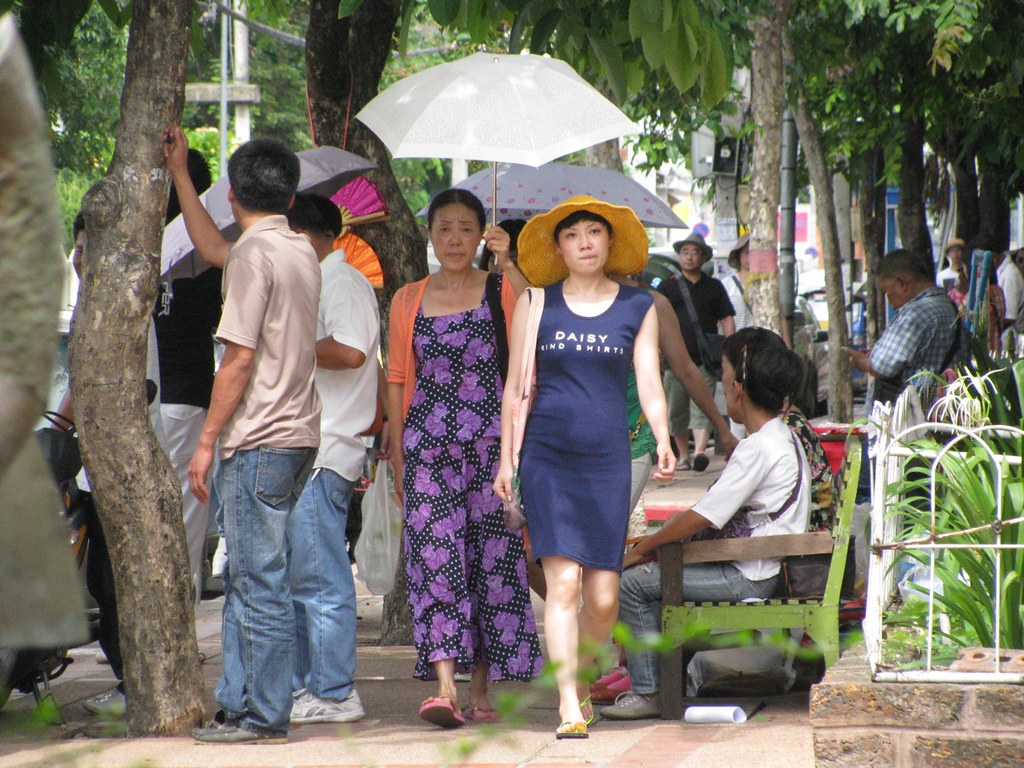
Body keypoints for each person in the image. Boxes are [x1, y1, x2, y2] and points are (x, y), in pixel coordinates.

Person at [163, 125, 322, 745]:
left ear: (232, 194)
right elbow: (213, 249)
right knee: (250, 578)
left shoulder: (256, 255)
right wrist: (181, 173)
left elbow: (236, 359)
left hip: (260, 437)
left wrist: (206, 441)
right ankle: (239, 701)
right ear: (290, 196)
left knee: (257, 582)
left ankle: (263, 715)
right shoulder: (295, 247)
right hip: (295, 434)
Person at [495, 195, 675, 739]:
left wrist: (662, 437)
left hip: (608, 460)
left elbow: (649, 380)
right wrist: (506, 460)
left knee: (602, 598)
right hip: (547, 457)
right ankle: (568, 703)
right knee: (564, 584)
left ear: (609, 241)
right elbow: (516, 387)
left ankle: (583, 675)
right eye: (572, 235)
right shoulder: (536, 303)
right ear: (558, 248)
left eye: (593, 232)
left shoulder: (638, 305)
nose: (584, 243)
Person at [387, 188, 541, 729]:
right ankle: (445, 688)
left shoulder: (501, 288)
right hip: (427, 449)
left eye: (466, 228)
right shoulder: (407, 299)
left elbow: (531, 336)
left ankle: (480, 689)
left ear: (481, 234)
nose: (455, 239)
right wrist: (398, 455)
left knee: (489, 562)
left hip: (492, 449)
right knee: (435, 560)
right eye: (444, 228)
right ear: (429, 235)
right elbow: (397, 379)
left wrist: (510, 263)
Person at [603, 327, 810, 720]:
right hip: (760, 566)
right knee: (647, 571)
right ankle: (661, 678)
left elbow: (702, 516)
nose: (724, 386)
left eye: (726, 377)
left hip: (748, 575)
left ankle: (649, 691)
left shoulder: (759, 447)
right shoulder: (779, 436)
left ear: (738, 389)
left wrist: (645, 549)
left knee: (631, 584)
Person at [283, 194, 378, 725]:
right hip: (312, 447)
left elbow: (352, 351)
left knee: (319, 578)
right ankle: (312, 686)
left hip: (328, 449)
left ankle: (335, 691)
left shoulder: (340, 281)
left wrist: (289, 342)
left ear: (306, 237)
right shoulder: (321, 282)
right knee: (305, 577)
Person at [152, 148, 221, 602]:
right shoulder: (204, 250)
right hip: (187, 392)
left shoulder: (146, 246)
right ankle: (179, 608)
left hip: (148, 395)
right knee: (187, 508)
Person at [844, 248, 966, 410]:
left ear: (901, 283)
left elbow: (882, 367)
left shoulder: (915, 314)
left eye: (886, 291)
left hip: (910, 413)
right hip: (939, 408)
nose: (888, 300)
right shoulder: (947, 304)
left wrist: (863, 362)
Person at [657, 232, 735, 472]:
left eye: (695, 252)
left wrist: (730, 348)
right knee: (675, 409)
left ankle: (700, 451)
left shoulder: (714, 287)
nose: (689, 257)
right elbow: (654, 318)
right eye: (685, 252)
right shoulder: (667, 286)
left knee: (703, 405)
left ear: (703, 258)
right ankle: (684, 456)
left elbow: (727, 318)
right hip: (674, 360)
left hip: (705, 359)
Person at [721, 233, 755, 331]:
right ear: (738, 255)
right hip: (736, 338)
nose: (751, 257)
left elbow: (781, 317)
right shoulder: (726, 284)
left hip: (762, 339)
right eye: (747, 253)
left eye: (755, 253)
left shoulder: (768, 285)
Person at [936, 237, 967, 304]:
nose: (955, 253)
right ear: (948, 254)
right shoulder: (941, 275)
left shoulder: (968, 272)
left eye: (958, 250)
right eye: (952, 251)